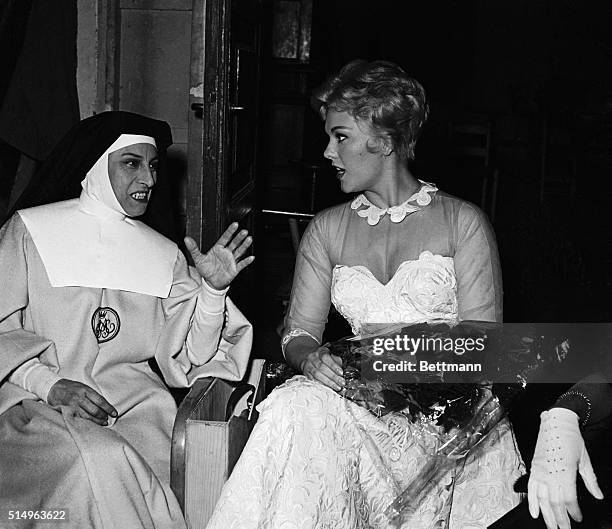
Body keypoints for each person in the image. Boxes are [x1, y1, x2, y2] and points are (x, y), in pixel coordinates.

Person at [206, 60, 524, 529]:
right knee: (297, 404)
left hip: (446, 419)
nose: (327, 151)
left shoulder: (463, 222)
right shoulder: (327, 229)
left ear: (385, 141)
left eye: (340, 136)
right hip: (355, 412)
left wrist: (390, 365)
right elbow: (300, 334)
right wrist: (310, 358)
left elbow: (483, 346)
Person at [0, 111, 254, 529]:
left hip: (137, 412)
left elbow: (194, 357)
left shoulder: (164, 253)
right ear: (97, 165)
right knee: (92, 464)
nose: (150, 179)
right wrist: (49, 384)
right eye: (132, 163)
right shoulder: (29, 231)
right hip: (36, 404)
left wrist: (213, 292)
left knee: (150, 471)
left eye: (153, 166)